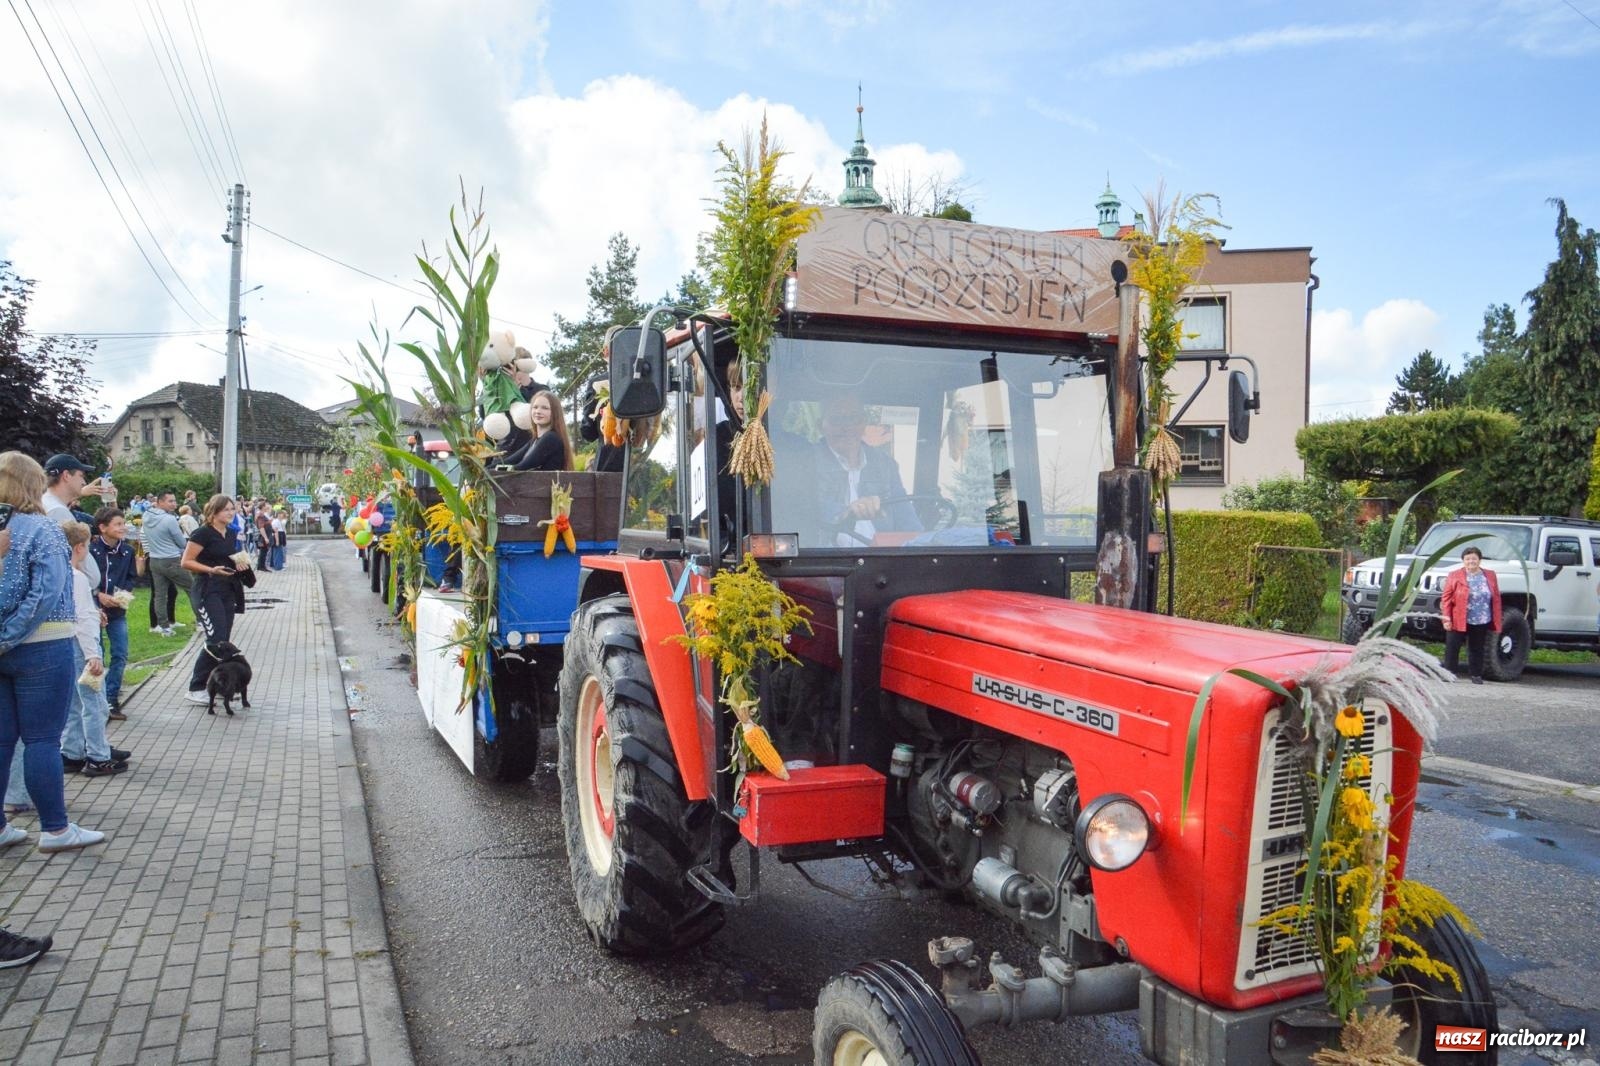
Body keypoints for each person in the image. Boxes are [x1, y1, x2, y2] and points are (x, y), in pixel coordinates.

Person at [0, 451, 109, 865]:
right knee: (43, 739)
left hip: (4, 648)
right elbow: (45, 594)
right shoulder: (45, 529)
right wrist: (9, 636)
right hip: (43, 647)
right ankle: (56, 828)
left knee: (3, 739)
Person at [60, 521, 129, 777]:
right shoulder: (77, 577)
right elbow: (82, 618)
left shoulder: (59, 573)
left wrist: (93, 610)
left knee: (75, 704)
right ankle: (98, 755)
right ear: (80, 548)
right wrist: (93, 654)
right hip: (82, 645)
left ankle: (72, 751)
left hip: (67, 642)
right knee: (95, 703)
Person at [813, 392, 921, 547]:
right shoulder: (807, 462)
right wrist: (844, 513)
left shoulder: (885, 465)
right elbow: (804, 508)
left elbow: (909, 522)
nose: (847, 427)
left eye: (854, 418)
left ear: (864, 423)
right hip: (823, 562)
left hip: (881, 561)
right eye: (837, 419)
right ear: (820, 426)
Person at [181, 494, 251, 704]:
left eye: (233, 509)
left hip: (227, 590)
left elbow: (229, 557)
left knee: (223, 640)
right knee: (215, 641)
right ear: (214, 512)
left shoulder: (230, 533)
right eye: (226, 509)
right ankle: (196, 687)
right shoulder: (202, 533)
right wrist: (211, 569)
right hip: (207, 590)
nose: (231, 513)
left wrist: (241, 564)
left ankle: (218, 685)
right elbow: (186, 561)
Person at [88, 507, 135, 717]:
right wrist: (98, 594)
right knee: (97, 653)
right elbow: (83, 576)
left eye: (122, 523)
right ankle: (93, 699)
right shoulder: (91, 549)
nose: (122, 528)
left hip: (117, 611)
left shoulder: (127, 551)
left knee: (121, 652)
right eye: (117, 524)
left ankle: (111, 697)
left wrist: (122, 595)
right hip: (93, 609)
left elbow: (131, 577)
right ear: (102, 528)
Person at [1440, 546, 1501, 684]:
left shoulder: (1490, 575)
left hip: (1481, 618)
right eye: (1467, 559)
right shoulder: (1455, 575)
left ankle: (1476, 675)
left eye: (1474, 558)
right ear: (1463, 561)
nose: (1471, 561)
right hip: (1458, 617)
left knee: (1477, 647)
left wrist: (1496, 617)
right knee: (1452, 647)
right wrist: (1446, 618)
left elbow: (1496, 596)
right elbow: (1446, 599)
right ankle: (1449, 674)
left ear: (1480, 560)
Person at [143, 491, 191, 638]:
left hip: (154, 559)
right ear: (160, 502)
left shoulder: (146, 516)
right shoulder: (169, 519)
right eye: (170, 501)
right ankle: (203, 621)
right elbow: (182, 542)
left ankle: (164, 627)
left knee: (160, 595)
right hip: (171, 559)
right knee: (192, 588)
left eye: (174, 501)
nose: (174, 504)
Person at [510, 390, 575, 471]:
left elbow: (522, 467)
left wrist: (495, 471)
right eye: (535, 407)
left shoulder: (551, 438)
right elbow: (510, 461)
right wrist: (489, 469)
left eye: (545, 408)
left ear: (555, 412)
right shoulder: (534, 441)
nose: (538, 411)